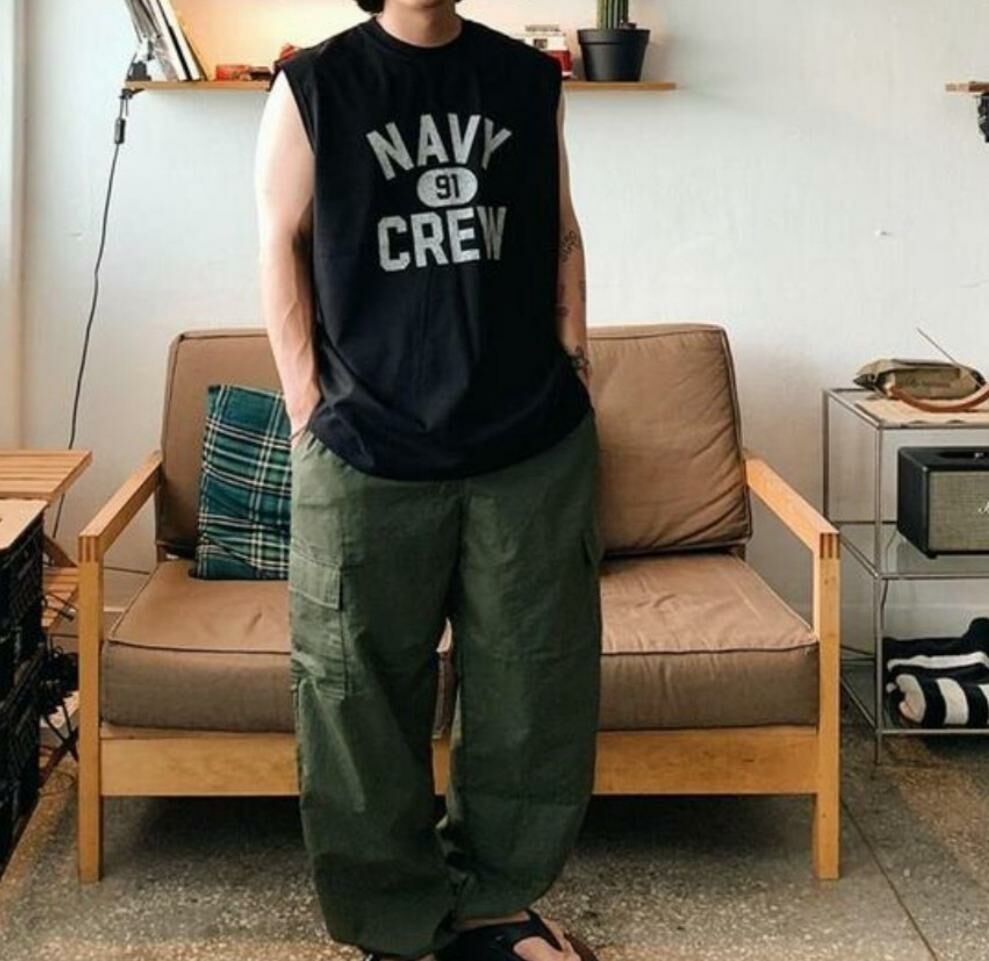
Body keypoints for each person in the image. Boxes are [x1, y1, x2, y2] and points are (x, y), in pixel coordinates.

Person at [254, 2, 602, 959]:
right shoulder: (314, 84)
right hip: (364, 447)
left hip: (527, 445)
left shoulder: (526, 80)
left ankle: (495, 905)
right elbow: (280, 243)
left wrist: (576, 362)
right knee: (353, 694)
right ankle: (394, 922)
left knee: (532, 687)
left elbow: (560, 229)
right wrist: (306, 406)